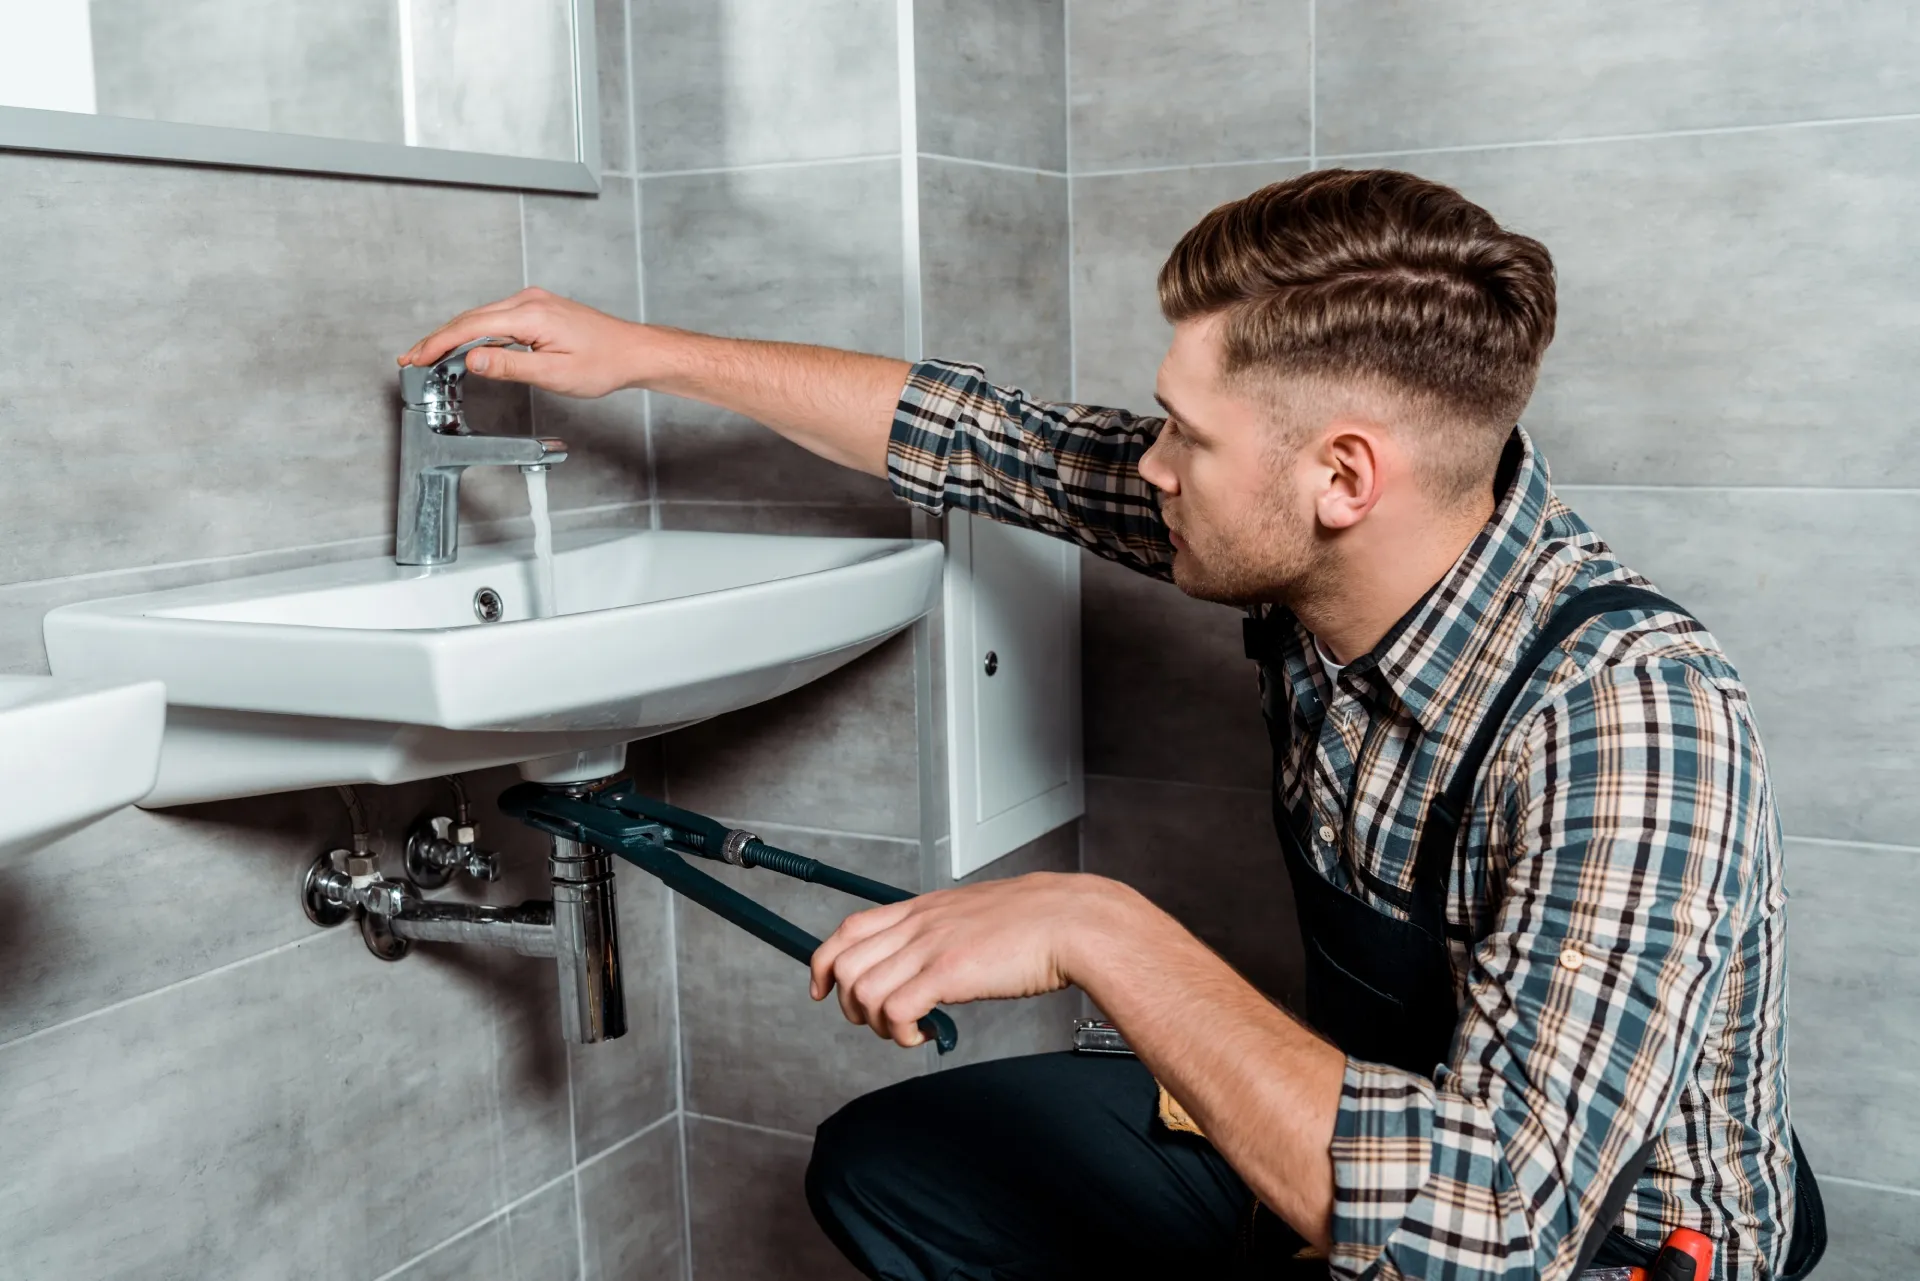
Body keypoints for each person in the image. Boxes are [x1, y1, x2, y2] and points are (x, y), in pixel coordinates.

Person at [403, 169, 1824, 1281]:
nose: (1147, 466)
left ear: (1344, 476)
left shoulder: (1631, 719)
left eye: (1184, 437)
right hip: (1381, 1138)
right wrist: (644, 353)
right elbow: (981, 437)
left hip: (1602, 1245)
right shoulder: (1327, 538)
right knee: (894, 1168)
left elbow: (1495, 1232)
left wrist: (1104, 929)